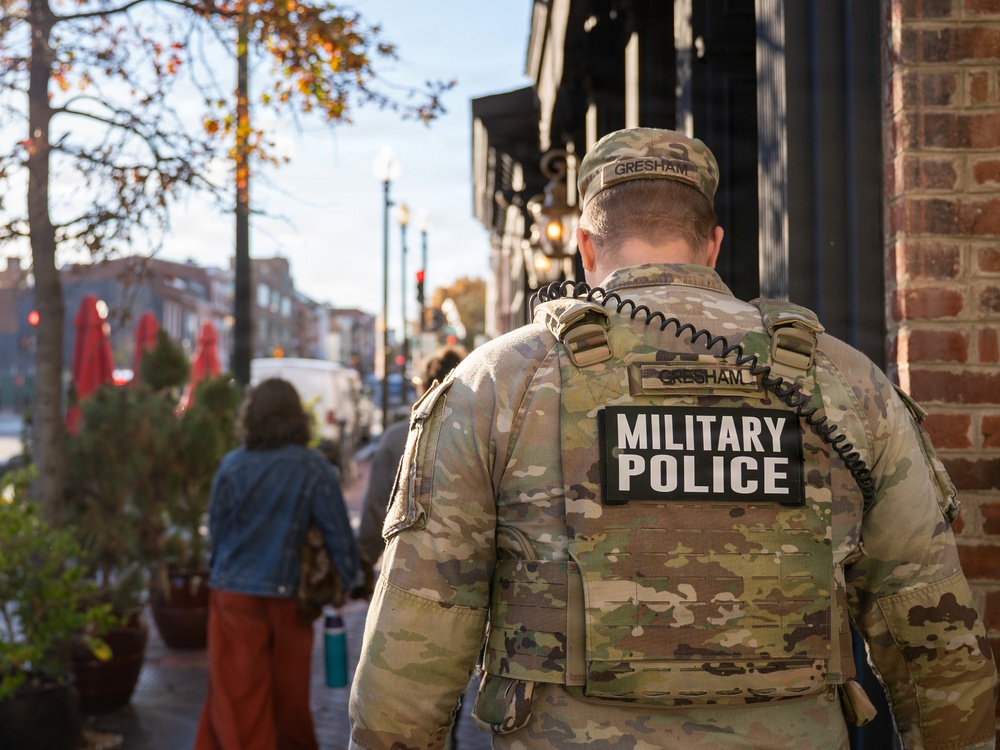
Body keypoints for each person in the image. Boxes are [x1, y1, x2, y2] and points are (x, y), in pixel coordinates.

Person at [348, 128, 997, 750]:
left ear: (585, 247)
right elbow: (933, 640)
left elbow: (416, 645)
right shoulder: (847, 381)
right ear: (711, 245)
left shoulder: (497, 386)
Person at [195, 377, 358, 750]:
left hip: (232, 595)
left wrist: (216, 572)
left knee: (238, 702)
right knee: (289, 701)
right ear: (297, 418)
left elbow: (216, 533)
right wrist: (346, 581)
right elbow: (337, 531)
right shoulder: (313, 467)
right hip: (287, 598)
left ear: (250, 416)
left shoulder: (231, 466)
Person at [356, 345, 468, 585]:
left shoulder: (398, 438)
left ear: (426, 388)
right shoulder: (481, 435)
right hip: (469, 572)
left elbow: (377, 508)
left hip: (408, 573)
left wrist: (364, 563)